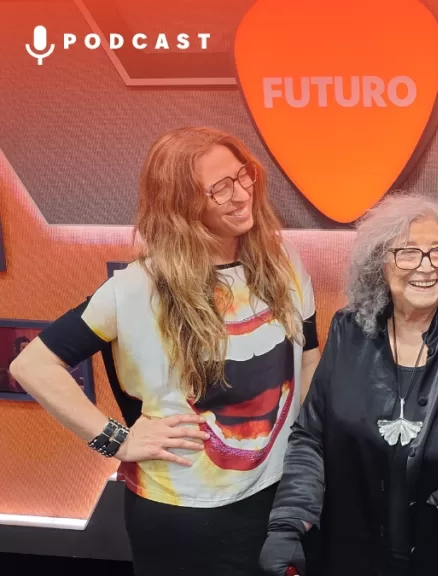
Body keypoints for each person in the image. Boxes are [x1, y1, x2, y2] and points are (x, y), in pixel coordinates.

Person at [10, 126, 321, 576]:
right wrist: (117, 439)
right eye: (218, 189)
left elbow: (308, 356)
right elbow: (33, 364)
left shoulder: (283, 260)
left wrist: (300, 452)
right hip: (182, 514)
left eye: (243, 176)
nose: (240, 195)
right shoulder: (139, 288)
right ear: (180, 205)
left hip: (274, 497)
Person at [258, 193, 438, 576]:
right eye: (407, 253)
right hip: (358, 553)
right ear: (380, 263)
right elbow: (311, 435)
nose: (426, 267)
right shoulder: (348, 331)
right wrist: (288, 522)